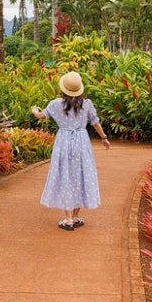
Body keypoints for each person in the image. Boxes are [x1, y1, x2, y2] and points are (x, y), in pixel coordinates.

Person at [31, 71, 111, 231]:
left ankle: (67, 219)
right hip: (81, 142)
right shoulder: (86, 104)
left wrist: (34, 110)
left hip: (64, 142)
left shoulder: (55, 104)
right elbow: (95, 122)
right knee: (81, 175)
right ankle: (75, 217)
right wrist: (103, 138)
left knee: (65, 175)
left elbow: (41, 116)